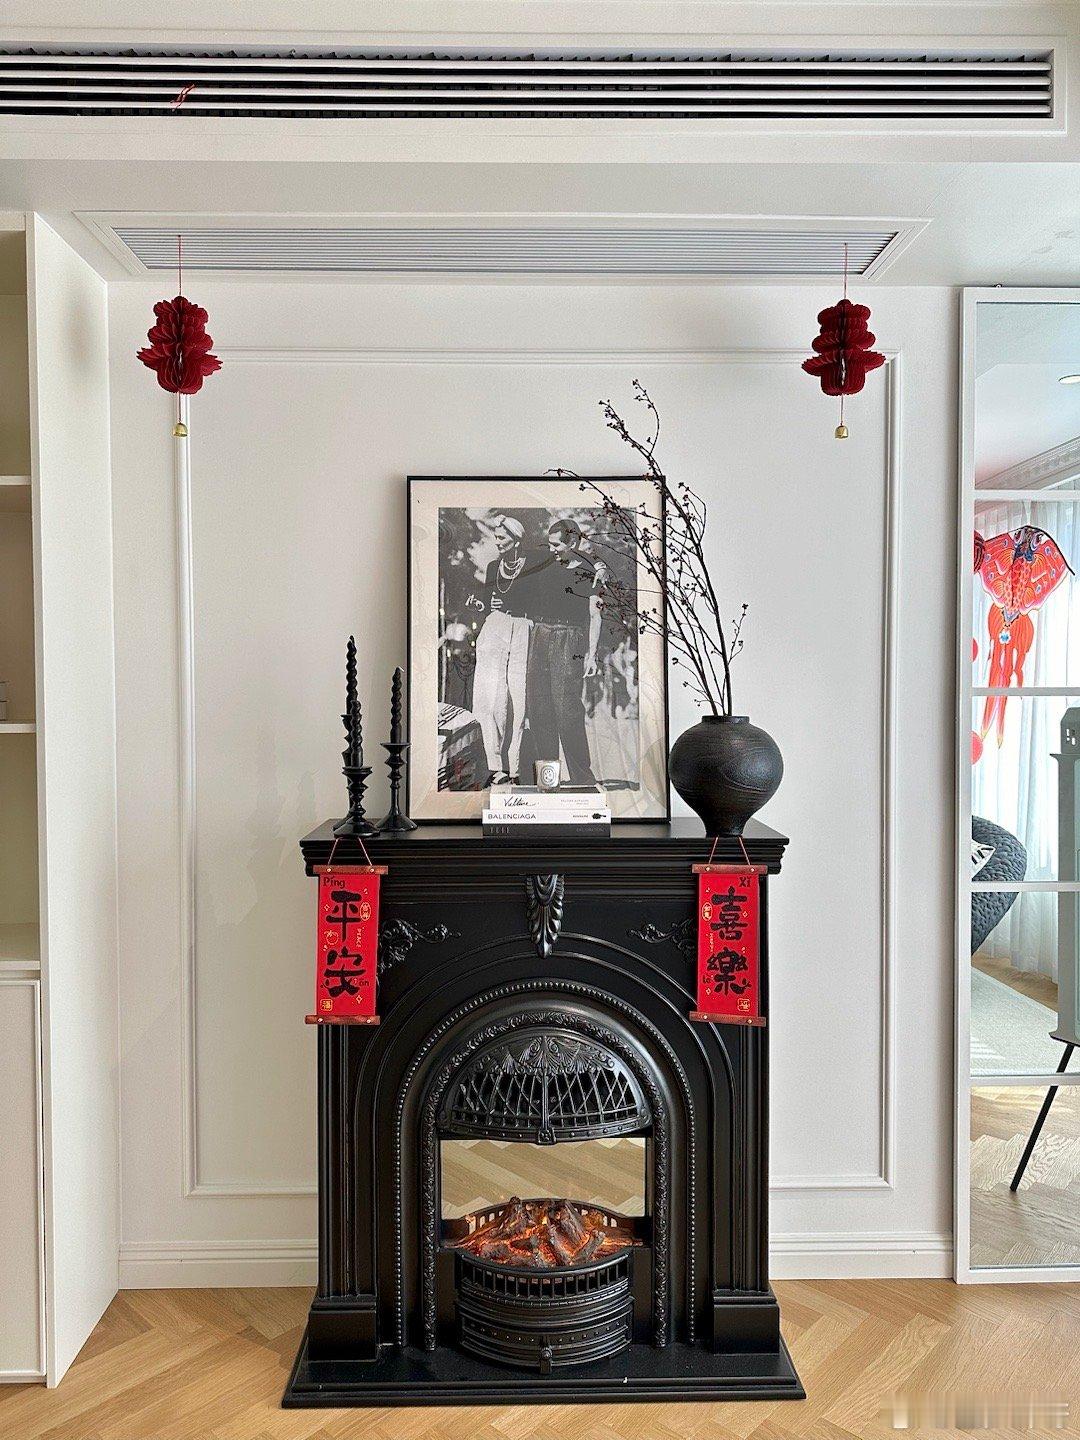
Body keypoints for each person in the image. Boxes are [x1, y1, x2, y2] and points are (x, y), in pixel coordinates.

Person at [522, 517, 603, 786]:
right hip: (540, 636)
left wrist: (592, 655)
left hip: (570, 639)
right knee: (539, 709)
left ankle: (583, 779)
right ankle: (549, 780)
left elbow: (595, 615)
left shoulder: (590, 572)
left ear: (573, 542)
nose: (552, 549)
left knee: (567, 710)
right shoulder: (545, 564)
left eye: (557, 545)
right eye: (550, 544)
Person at [469, 515, 537, 783]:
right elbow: (487, 603)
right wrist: (481, 605)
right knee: (491, 697)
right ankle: (495, 766)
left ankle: (515, 767)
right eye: (495, 537)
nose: (497, 542)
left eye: (502, 538)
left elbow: (537, 600)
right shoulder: (492, 567)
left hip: (522, 630)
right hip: (495, 630)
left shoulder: (532, 565)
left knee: (519, 698)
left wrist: (598, 565)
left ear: (516, 540)